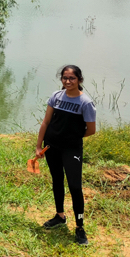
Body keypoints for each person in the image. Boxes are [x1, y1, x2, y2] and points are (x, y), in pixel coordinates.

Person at [35, 65, 97, 246]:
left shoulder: (85, 102)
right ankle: (60, 215)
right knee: (57, 181)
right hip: (52, 147)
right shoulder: (56, 97)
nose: (68, 81)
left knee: (75, 187)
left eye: (72, 78)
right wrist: (39, 146)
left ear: (79, 80)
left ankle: (79, 226)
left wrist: (71, 139)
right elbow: (46, 122)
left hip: (72, 150)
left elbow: (91, 130)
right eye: (65, 78)